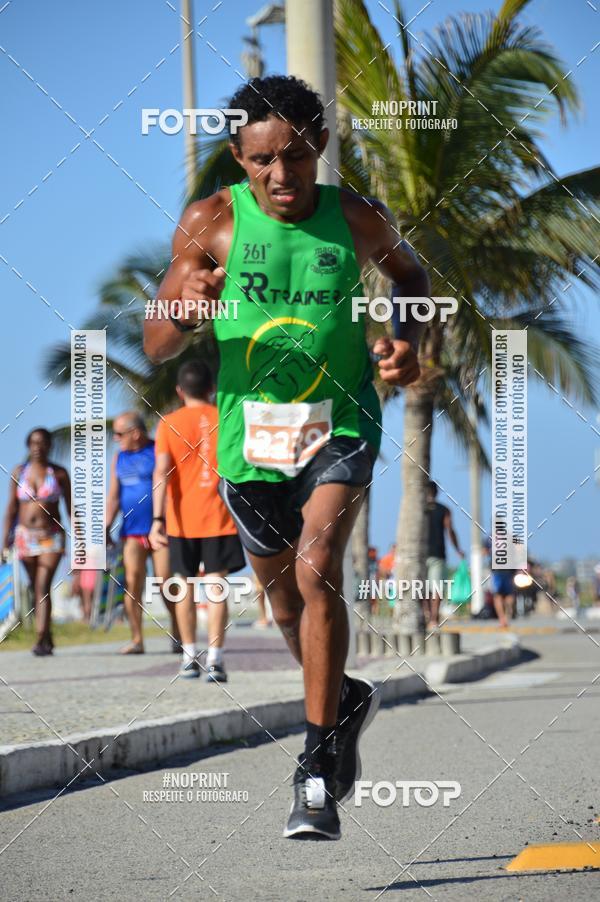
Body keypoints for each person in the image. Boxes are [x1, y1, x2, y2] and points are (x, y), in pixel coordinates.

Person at [143, 75, 427, 839]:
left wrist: (407, 341)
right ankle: (342, 698)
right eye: (263, 159)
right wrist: (184, 308)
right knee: (285, 608)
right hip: (250, 442)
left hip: (341, 421)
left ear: (320, 148)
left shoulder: (359, 219)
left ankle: (313, 771)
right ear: (239, 157)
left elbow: (412, 278)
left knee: (317, 564)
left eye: (296, 157)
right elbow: (156, 339)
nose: (281, 176)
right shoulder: (211, 223)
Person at [149, 360, 245, 682]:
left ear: (179, 391)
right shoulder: (226, 418)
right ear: (211, 389)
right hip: (220, 518)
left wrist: (157, 519)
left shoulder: (168, 423)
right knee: (217, 587)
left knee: (183, 588)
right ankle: (216, 659)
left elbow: (161, 472)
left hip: (180, 522)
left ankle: (190, 656)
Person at [105, 412, 180, 654]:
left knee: (165, 581)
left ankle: (179, 634)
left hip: (160, 529)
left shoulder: (158, 450)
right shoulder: (119, 458)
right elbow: (114, 496)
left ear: (135, 433)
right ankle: (137, 639)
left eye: (119, 434)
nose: (115, 438)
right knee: (133, 582)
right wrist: (106, 526)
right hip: (131, 532)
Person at [2, 428, 71, 655]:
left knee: (42, 584)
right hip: (24, 537)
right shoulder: (19, 472)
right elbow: (11, 509)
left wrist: (80, 539)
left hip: (51, 536)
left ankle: (40, 638)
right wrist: (4, 542)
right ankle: (48, 634)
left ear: (49, 445)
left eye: (42, 443)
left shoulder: (59, 473)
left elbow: (71, 510)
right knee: (35, 587)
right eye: (33, 442)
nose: (37, 447)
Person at [425, 481, 464, 630]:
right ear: (436, 492)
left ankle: (427, 615)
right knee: (437, 588)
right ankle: (434, 620)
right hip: (438, 553)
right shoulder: (444, 510)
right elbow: (450, 531)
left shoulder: (418, 509)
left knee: (423, 588)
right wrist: (457, 549)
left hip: (420, 554)